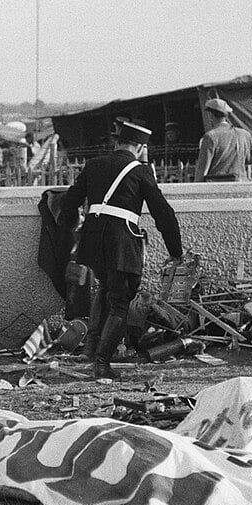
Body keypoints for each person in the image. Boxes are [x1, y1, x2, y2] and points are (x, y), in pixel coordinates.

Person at [59, 121, 184, 379]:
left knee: (105, 288)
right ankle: (102, 364)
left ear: (117, 143)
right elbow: (163, 212)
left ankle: (91, 350)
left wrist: (68, 233)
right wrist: (175, 249)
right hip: (120, 242)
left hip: (92, 242)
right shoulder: (140, 171)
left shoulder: (94, 165)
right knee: (120, 302)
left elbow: (70, 201)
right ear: (139, 148)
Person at [195, 97, 252, 181]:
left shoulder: (210, 137)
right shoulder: (245, 134)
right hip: (241, 184)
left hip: (218, 186)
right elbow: (250, 160)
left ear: (210, 115)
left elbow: (203, 169)